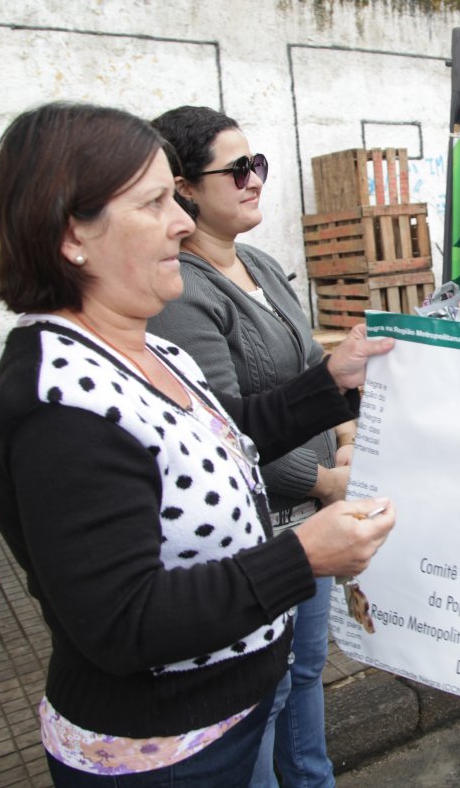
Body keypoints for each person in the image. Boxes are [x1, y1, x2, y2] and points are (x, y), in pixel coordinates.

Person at [0, 102, 396, 787]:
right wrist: (301, 555)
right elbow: (121, 619)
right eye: (155, 202)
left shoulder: (143, 345)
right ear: (71, 233)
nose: (181, 219)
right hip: (165, 752)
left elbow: (217, 436)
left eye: (177, 195)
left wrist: (330, 381)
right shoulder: (58, 407)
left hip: (230, 720)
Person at [147, 105, 348, 788]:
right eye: (236, 170)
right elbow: (223, 424)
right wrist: (326, 481)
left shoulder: (257, 260)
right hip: (266, 531)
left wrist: (349, 437)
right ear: (184, 189)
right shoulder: (182, 292)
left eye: (256, 164)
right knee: (272, 693)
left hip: (312, 515)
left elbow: (312, 360)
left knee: (308, 672)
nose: (254, 179)